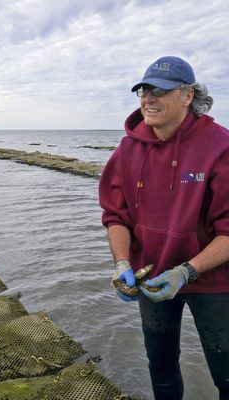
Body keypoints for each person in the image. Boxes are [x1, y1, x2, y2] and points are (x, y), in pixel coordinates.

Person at [99, 55, 229, 400]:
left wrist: (187, 272)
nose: (149, 98)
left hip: (217, 282)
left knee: (227, 374)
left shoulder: (220, 146)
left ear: (188, 96)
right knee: (161, 366)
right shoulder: (127, 149)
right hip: (152, 277)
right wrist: (122, 263)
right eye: (143, 90)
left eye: (160, 90)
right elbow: (116, 215)